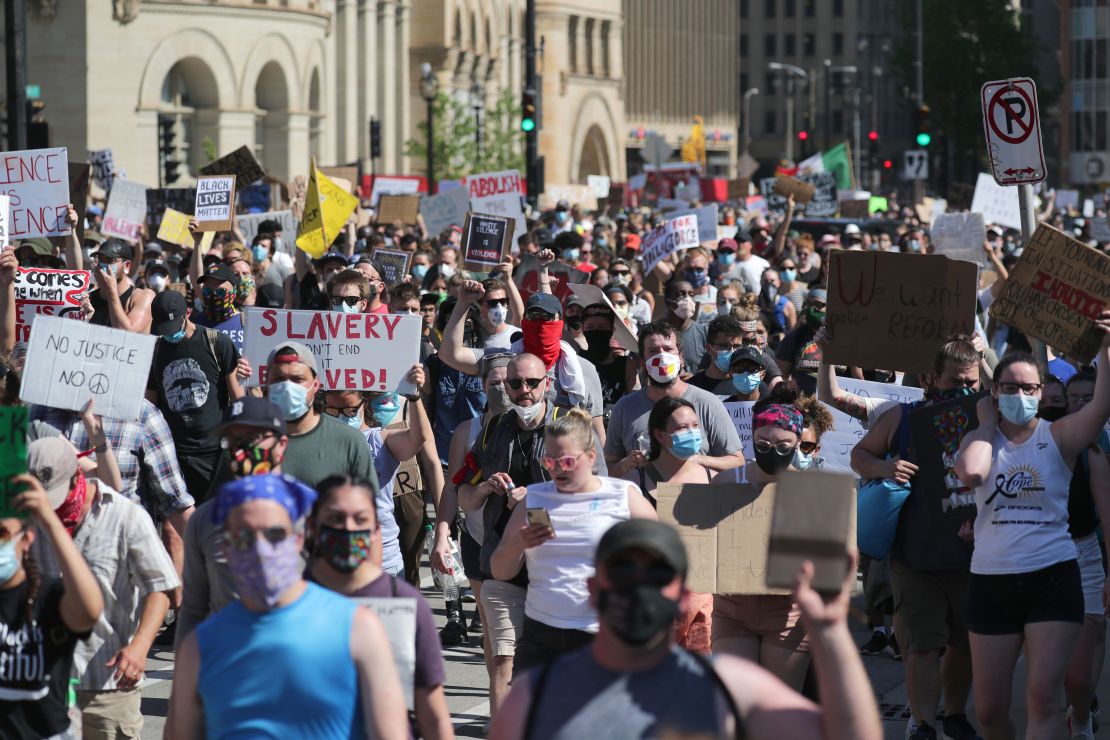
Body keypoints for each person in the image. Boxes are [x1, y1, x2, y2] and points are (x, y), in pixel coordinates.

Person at [488, 519, 883, 740]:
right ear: (594, 589)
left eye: (656, 574)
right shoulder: (537, 695)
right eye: (623, 571)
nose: (638, 587)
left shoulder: (729, 689)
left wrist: (831, 633)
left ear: (684, 595)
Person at [955, 324, 1110, 740]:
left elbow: (1098, 410)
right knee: (988, 710)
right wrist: (986, 425)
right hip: (991, 582)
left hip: (1053, 579)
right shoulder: (979, 440)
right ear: (994, 392)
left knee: (1044, 700)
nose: (1019, 396)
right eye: (1010, 387)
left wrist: (1106, 350)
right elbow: (971, 471)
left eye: (1028, 388)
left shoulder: (1059, 437)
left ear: (1041, 392)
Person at [167, 475, 408, 739]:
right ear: (227, 547)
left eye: (274, 534)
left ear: (298, 539)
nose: (261, 549)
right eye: (245, 537)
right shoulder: (200, 647)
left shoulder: (357, 628)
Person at [454, 353, 607, 715]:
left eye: (532, 383)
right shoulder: (494, 429)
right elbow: (463, 492)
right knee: (504, 658)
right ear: (505, 386)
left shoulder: (571, 428)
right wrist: (486, 489)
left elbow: (598, 493)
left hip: (556, 567)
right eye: (515, 384)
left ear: (547, 384)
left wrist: (536, 498)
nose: (524, 392)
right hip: (502, 562)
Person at [851, 335, 983, 740]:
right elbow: (860, 456)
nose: (964, 390)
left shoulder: (989, 417)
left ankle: (955, 716)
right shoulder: (902, 418)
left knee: (965, 644)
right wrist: (886, 467)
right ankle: (923, 724)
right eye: (954, 381)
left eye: (972, 383)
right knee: (922, 646)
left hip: (974, 555)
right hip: (915, 555)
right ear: (931, 378)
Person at [28, 437, 180, 739]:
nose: (50, 507)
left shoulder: (125, 516)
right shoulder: (29, 517)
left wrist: (139, 647)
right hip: (44, 682)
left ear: (77, 476)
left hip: (107, 686)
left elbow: (160, 589)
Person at [491, 408, 656, 672]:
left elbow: (662, 557)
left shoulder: (622, 495)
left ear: (591, 457)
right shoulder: (535, 498)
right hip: (542, 633)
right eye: (549, 462)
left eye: (566, 462)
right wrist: (519, 543)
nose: (557, 469)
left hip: (604, 633)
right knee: (533, 712)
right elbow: (499, 570)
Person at [308, 475, 454, 740]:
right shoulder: (291, 602)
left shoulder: (405, 603)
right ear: (312, 527)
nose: (348, 529)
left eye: (360, 520)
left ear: (376, 529)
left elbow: (432, 713)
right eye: (335, 519)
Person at [709, 384, 817, 691]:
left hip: (788, 614)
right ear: (752, 439)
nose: (773, 450)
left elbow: (829, 562)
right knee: (736, 702)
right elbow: (701, 546)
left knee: (778, 709)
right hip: (732, 609)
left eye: (783, 444)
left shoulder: (814, 492)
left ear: (798, 442)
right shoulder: (727, 481)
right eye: (764, 443)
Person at [176, 396, 290, 643]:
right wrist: (186, 674)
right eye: (233, 441)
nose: (241, 450)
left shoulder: (311, 511)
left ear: (281, 445)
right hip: (228, 665)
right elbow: (194, 607)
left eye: (252, 439)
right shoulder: (205, 519)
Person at [0, 471, 103, 739]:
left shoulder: (49, 597)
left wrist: (48, 518)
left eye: (1, 533)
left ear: (26, 537)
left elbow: (89, 610)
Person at [431, 352, 514, 650]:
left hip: (519, 540)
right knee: (492, 630)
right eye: (494, 382)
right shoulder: (467, 430)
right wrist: (442, 533)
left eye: (509, 381)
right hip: (477, 539)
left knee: (517, 631)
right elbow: (453, 488)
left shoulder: (532, 426)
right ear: (482, 385)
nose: (502, 388)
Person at [319, 364, 431, 580]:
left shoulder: (379, 439)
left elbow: (417, 438)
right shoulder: (318, 444)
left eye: (350, 410)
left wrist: (415, 398)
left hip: (383, 561)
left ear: (364, 404)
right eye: (334, 411)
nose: (343, 416)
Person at [605, 321, 745, 478]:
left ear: (681, 358)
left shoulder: (707, 403)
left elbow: (737, 461)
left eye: (668, 349)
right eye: (653, 351)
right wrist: (626, 464)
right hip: (645, 498)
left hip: (694, 497)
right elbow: (608, 467)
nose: (662, 356)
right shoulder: (625, 408)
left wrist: (698, 460)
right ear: (643, 364)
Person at [147, 290, 245, 502]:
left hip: (214, 451)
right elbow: (150, 404)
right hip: (173, 453)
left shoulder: (217, 343)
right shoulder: (154, 351)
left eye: (172, 328)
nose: (169, 335)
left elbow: (238, 398)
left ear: (188, 313)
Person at [579, 302, 639, 414]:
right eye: (590, 327)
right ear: (583, 329)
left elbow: (635, 401)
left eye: (602, 327)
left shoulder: (627, 365)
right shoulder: (577, 360)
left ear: (612, 330)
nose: (596, 331)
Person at [88, 238, 154, 333]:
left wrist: (111, 291)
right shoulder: (90, 299)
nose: (104, 265)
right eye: (101, 260)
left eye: (110, 260)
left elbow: (128, 333)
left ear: (126, 266)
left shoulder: (141, 297)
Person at [775, 287, 827, 394]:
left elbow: (858, 377)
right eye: (808, 304)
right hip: (802, 405)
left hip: (836, 407)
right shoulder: (793, 338)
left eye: (818, 304)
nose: (812, 309)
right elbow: (781, 378)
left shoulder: (842, 339)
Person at [660, 280, 708, 373]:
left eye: (691, 294)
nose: (687, 299)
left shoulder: (703, 332)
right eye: (681, 294)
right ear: (667, 302)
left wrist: (694, 378)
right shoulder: (652, 332)